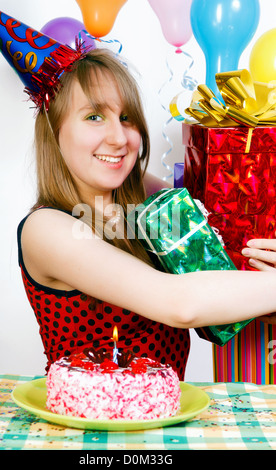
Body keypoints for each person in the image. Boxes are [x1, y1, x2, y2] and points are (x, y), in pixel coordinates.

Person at [16, 48, 276, 380]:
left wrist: (262, 269)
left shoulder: (143, 195)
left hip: (165, 418)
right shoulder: (46, 229)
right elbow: (180, 305)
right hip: (90, 425)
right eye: (94, 116)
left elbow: (220, 265)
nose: (119, 138)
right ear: (54, 131)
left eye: (126, 118)